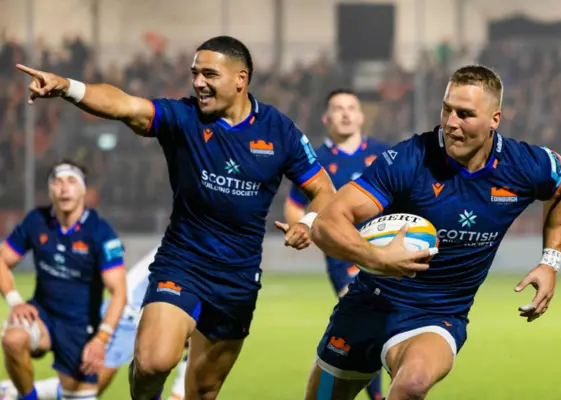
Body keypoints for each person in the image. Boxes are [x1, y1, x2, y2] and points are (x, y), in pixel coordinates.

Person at [16, 35, 336, 400]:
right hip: (182, 263)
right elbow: (125, 105)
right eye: (195, 73)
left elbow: (325, 190)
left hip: (238, 278)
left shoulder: (279, 130)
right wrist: (68, 88)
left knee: (204, 390)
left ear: (240, 79)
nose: (199, 82)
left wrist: (308, 224)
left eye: (210, 74)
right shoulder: (183, 118)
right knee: (153, 362)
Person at [304, 65, 561, 399]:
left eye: (465, 114)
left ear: (495, 119)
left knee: (413, 383)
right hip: (367, 305)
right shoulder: (409, 160)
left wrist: (550, 261)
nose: (451, 123)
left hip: (438, 315)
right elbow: (326, 225)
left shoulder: (523, 166)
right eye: (447, 109)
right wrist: (377, 257)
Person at [284, 89, 389, 400]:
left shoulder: (384, 154)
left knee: (374, 325)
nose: (345, 113)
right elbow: (294, 205)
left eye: (351, 108)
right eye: (337, 108)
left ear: (360, 116)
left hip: (384, 251)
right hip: (343, 257)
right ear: (326, 118)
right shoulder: (316, 159)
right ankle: (375, 395)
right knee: (365, 316)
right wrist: (300, 228)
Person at [0, 160, 127, 400]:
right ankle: (27, 397)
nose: (63, 188)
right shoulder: (36, 221)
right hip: (42, 316)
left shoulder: (100, 231)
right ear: (50, 190)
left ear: (83, 190)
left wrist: (101, 339)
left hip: (80, 328)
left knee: (82, 394)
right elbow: (2, 261)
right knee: (13, 339)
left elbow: (119, 292)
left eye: (71, 181)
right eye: (57, 182)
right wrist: (16, 301)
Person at [0, 247, 189, 400]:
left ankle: (15, 390)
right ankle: (16, 390)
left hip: (137, 311)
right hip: (128, 312)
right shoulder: (190, 243)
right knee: (93, 385)